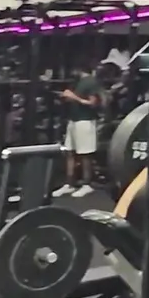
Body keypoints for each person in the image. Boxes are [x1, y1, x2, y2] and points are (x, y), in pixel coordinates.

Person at [54, 62, 103, 199]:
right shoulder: (77, 82)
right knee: (69, 152)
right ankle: (69, 183)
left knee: (85, 154)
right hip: (73, 120)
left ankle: (87, 184)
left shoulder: (91, 81)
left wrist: (74, 97)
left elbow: (93, 103)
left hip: (85, 121)